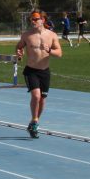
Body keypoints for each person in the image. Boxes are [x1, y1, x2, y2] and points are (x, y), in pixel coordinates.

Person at [15, 10, 62, 139]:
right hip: (31, 70)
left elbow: (59, 53)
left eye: (35, 19)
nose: (33, 21)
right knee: (36, 96)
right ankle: (35, 122)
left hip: (45, 71)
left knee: (42, 100)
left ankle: (33, 121)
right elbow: (18, 47)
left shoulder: (52, 35)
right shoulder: (26, 35)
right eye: (31, 19)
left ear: (43, 20)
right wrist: (19, 53)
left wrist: (50, 50)